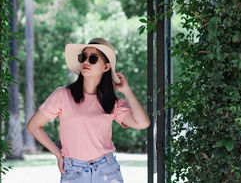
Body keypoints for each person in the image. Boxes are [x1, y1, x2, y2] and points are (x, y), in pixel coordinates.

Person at [27, 38, 150, 183]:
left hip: (107, 171)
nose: (86, 62)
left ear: (106, 67)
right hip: (74, 172)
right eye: (83, 57)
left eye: (93, 58)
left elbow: (142, 123)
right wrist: (58, 155)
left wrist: (127, 90)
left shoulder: (112, 102)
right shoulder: (63, 95)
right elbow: (33, 126)